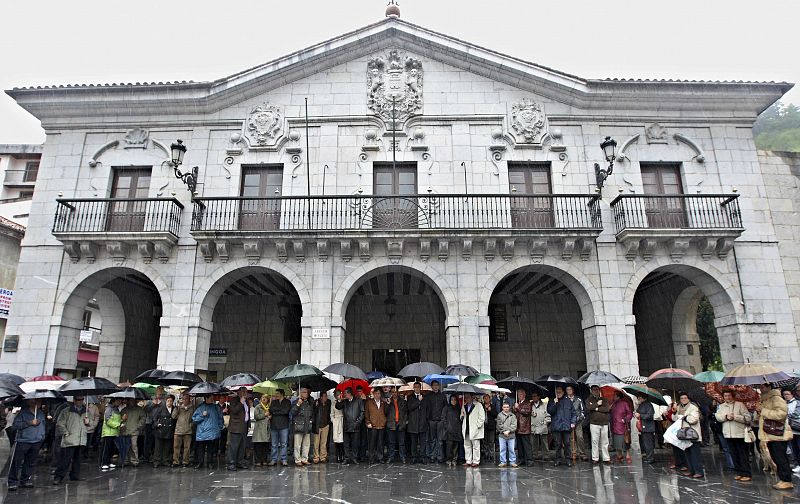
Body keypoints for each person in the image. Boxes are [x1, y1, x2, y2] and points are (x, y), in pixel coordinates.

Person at [758, 383, 794, 490]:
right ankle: (782, 479)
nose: (760, 388)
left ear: (769, 387)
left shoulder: (776, 398)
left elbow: (781, 414)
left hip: (778, 434)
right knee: (775, 457)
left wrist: (763, 411)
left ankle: (787, 480)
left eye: (763, 386)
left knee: (780, 457)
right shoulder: (765, 400)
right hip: (769, 434)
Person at [8, 399, 45, 491]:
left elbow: (43, 425)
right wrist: (30, 423)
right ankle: (12, 482)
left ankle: (25, 480)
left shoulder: (41, 413)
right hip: (23, 441)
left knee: (30, 462)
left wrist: (42, 436)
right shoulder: (23, 413)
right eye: (37, 401)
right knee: (17, 462)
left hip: (36, 441)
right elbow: (15, 426)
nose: (39, 403)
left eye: (40, 402)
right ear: (31, 402)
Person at [715, 390, 752, 482]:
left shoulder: (740, 405)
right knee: (734, 454)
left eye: (729, 395)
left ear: (732, 396)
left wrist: (735, 417)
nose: (727, 397)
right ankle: (739, 472)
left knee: (742, 454)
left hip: (740, 433)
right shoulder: (721, 406)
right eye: (725, 396)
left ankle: (746, 473)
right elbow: (718, 417)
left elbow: (747, 418)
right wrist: (726, 417)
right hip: (728, 434)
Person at [53, 396, 89, 485]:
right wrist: (65, 433)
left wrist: (88, 423)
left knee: (77, 459)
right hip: (70, 439)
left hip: (81, 439)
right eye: (77, 399)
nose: (79, 401)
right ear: (74, 400)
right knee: (65, 459)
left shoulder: (86, 412)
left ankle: (75, 475)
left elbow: (91, 423)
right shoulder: (66, 411)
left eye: (81, 399)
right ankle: (59, 476)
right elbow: (60, 423)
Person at [673, 391, 704, 478]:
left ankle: (698, 471)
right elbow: (674, 419)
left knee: (695, 453)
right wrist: (674, 412)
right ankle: (691, 470)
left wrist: (685, 417)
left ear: (688, 399)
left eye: (685, 398)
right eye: (681, 398)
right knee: (687, 453)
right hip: (683, 434)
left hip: (692, 433)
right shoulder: (679, 408)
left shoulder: (693, 407)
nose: (683, 400)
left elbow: (694, 419)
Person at [548, 386, 577, 467]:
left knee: (567, 443)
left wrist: (573, 422)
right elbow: (550, 411)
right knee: (558, 444)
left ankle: (568, 459)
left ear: (563, 392)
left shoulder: (568, 401)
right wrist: (554, 404)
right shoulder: (552, 401)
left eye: (560, 392)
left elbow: (573, 413)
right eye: (557, 392)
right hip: (556, 426)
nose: (558, 393)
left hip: (566, 426)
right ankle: (557, 459)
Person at [192, 395, 224, 469]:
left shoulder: (216, 407)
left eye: (213, 398)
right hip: (202, 432)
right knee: (201, 449)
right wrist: (202, 415)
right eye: (211, 398)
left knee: (211, 448)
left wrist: (219, 427)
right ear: (206, 398)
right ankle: (200, 462)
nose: (212, 399)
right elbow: (194, 419)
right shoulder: (200, 408)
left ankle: (210, 462)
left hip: (212, 432)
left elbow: (220, 418)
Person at [336, 388, 364, 465]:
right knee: (346, 444)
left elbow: (362, 412)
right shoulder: (344, 401)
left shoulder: (358, 400)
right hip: (347, 425)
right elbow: (338, 407)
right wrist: (339, 400)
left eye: (345, 393)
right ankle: (346, 458)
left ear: (349, 393)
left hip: (355, 425)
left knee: (355, 444)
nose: (344, 395)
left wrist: (358, 422)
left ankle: (354, 458)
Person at [423, 380, 447, 463]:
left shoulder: (442, 396)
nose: (435, 386)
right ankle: (432, 456)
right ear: (432, 386)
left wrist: (443, 419)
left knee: (440, 440)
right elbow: (425, 408)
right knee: (432, 439)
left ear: (439, 386)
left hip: (440, 421)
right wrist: (427, 419)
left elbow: (445, 408)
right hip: (431, 421)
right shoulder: (428, 396)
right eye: (434, 385)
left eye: (437, 385)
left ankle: (440, 456)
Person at [586, 385, 611, 463]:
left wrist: (596, 408)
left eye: (597, 389)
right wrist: (597, 404)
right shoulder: (589, 399)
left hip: (604, 423)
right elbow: (588, 408)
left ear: (599, 390)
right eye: (594, 390)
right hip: (594, 423)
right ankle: (595, 458)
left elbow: (607, 409)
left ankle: (606, 458)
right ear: (591, 391)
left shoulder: (604, 399)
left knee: (605, 441)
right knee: (594, 441)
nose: (596, 391)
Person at [267, 388, 291, 466]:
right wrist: (279, 411)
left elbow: (286, 411)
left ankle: (284, 459)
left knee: (284, 444)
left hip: (284, 425)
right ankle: (273, 459)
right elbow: (271, 410)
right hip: (274, 425)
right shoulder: (273, 402)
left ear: (282, 394)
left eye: (277, 393)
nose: (275, 395)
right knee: (274, 444)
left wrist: (275, 412)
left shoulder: (287, 402)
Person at [461, 392, 486, 467]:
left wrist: (477, 426)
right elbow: (462, 417)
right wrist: (461, 415)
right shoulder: (464, 406)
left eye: (468, 397)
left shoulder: (478, 405)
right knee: (467, 445)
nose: (466, 399)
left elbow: (482, 417)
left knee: (476, 446)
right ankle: (468, 460)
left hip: (475, 429)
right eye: (465, 397)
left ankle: (476, 461)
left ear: (472, 397)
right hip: (466, 428)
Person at [365, 387, 388, 464]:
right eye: (376, 393)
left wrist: (387, 404)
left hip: (381, 425)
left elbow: (386, 412)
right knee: (372, 443)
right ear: (373, 394)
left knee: (380, 443)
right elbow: (366, 414)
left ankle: (380, 458)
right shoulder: (369, 402)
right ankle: (371, 458)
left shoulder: (383, 402)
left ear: (380, 394)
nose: (377, 395)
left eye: (379, 393)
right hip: (372, 425)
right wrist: (368, 422)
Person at [226, 388, 248, 471]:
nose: (245, 393)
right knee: (234, 446)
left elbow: (246, 413)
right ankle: (231, 463)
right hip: (236, 426)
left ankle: (240, 462)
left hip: (244, 426)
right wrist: (241, 403)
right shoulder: (234, 400)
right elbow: (234, 411)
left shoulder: (246, 401)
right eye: (244, 391)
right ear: (239, 392)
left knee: (242, 446)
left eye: (246, 391)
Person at [291, 387, 314, 466]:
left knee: (306, 444)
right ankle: (297, 459)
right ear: (300, 393)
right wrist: (298, 404)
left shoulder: (309, 402)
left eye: (307, 392)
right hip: (299, 425)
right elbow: (292, 413)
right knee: (297, 444)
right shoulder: (295, 402)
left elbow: (312, 413)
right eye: (304, 392)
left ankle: (304, 459)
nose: (306, 394)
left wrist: (311, 421)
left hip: (307, 425)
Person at [406, 382, 428, 464]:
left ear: (420, 388)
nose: (417, 388)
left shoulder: (425, 397)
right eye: (415, 387)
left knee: (423, 442)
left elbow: (427, 409)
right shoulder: (409, 397)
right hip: (413, 423)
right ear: (413, 388)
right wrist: (418, 401)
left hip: (422, 423)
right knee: (413, 442)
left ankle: (422, 457)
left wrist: (426, 418)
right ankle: (414, 457)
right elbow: (410, 407)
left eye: (418, 387)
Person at [151, 394, 175, 468]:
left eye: (171, 401)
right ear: (166, 401)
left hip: (169, 430)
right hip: (160, 430)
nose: (169, 402)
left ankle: (165, 460)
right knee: (158, 447)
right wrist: (157, 424)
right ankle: (156, 461)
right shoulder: (160, 408)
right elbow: (154, 418)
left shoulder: (174, 409)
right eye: (168, 401)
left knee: (167, 447)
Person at [171, 393, 194, 468]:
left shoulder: (192, 407)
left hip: (188, 430)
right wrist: (177, 408)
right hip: (178, 429)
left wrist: (191, 425)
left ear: (189, 399)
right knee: (176, 446)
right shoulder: (178, 407)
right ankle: (176, 461)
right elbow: (173, 416)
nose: (184, 400)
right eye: (183, 399)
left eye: (185, 399)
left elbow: (194, 418)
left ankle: (185, 461)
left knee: (187, 447)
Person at [100, 398, 123, 471]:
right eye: (118, 400)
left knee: (111, 449)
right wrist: (118, 425)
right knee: (106, 448)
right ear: (114, 401)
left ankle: (109, 462)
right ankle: (103, 463)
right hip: (108, 433)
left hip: (114, 432)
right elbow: (108, 421)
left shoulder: (116, 409)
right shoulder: (109, 409)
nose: (120, 402)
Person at [565, 385, 587, 462]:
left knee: (580, 437)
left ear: (573, 390)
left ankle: (582, 453)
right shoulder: (565, 399)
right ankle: (574, 452)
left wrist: (579, 418)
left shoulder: (578, 399)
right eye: (567, 389)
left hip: (578, 421)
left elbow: (583, 410)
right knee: (571, 438)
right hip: (569, 422)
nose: (569, 391)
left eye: (570, 389)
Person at [609, 392, 632, 464]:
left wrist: (625, 419)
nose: (613, 397)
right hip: (614, 425)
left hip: (622, 426)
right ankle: (619, 455)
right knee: (616, 442)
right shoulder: (613, 404)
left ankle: (628, 455)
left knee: (625, 441)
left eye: (615, 396)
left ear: (618, 397)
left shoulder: (624, 403)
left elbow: (629, 413)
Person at [386, 387, 407, 463]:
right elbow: (385, 412)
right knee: (391, 442)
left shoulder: (403, 401)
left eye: (395, 392)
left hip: (400, 424)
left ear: (398, 392)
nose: (394, 393)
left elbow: (405, 413)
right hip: (391, 424)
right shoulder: (388, 401)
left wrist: (404, 423)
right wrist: (388, 404)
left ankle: (402, 457)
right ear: (391, 393)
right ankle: (390, 457)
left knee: (402, 443)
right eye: (393, 392)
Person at [123, 398, 146, 467]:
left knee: (134, 446)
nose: (131, 401)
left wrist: (139, 425)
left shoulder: (139, 409)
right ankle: (125, 460)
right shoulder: (124, 409)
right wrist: (122, 418)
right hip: (125, 430)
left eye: (133, 400)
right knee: (126, 446)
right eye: (130, 400)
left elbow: (143, 418)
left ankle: (134, 461)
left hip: (134, 430)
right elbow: (120, 419)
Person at [513, 389, 533, 466]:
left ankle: (530, 460)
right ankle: (522, 459)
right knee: (519, 446)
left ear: (524, 395)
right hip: (517, 427)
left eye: (521, 394)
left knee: (527, 445)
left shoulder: (528, 403)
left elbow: (527, 412)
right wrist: (514, 409)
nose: (519, 395)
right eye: (518, 394)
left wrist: (518, 407)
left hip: (525, 428)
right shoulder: (517, 403)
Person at [635, 393, 656, 463]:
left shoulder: (649, 405)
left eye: (640, 398)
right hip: (643, 427)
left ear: (644, 398)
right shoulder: (641, 405)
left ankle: (650, 458)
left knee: (648, 444)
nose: (639, 399)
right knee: (645, 443)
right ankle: (648, 456)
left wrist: (640, 415)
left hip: (648, 427)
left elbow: (650, 415)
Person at [530, 391, 550, 462]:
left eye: (535, 396)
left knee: (544, 442)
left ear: (538, 397)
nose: (534, 398)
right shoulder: (530, 405)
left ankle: (546, 455)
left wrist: (545, 422)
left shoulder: (544, 405)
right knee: (534, 442)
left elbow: (548, 415)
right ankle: (534, 455)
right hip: (533, 426)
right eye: (533, 396)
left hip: (542, 425)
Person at [496, 401, 518, 468]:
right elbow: (499, 425)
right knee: (502, 449)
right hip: (502, 435)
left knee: (511, 449)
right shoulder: (499, 415)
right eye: (504, 407)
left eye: (507, 407)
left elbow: (514, 425)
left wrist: (509, 431)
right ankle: (503, 462)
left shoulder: (513, 416)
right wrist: (504, 431)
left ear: (509, 408)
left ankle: (512, 462)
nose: (506, 408)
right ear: (502, 408)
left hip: (511, 435)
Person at [442, 395, 462, 467]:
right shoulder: (446, 408)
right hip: (449, 430)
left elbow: (460, 418)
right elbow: (443, 418)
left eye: (455, 400)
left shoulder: (458, 408)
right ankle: (448, 459)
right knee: (449, 446)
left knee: (456, 446)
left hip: (457, 430)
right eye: (452, 400)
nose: (453, 401)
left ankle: (454, 459)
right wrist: (447, 427)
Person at [312, 391, 331, 463]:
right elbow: (313, 413)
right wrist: (316, 406)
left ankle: (323, 457)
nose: (326, 397)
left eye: (326, 396)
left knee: (324, 442)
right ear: (321, 397)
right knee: (316, 442)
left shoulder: (328, 402)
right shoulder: (316, 403)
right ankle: (316, 457)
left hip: (325, 424)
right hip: (317, 425)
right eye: (324, 396)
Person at [784, 387, 800, 470]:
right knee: (793, 448)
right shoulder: (784, 404)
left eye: (787, 394)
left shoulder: (797, 403)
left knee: (798, 446)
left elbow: (796, 414)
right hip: (790, 429)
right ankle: (797, 464)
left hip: (797, 428)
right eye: (784, 394)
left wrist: (787, 415)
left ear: (792, 394)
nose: (786, 396)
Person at [253, 393, 271, 467]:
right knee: (258, 445)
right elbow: (256, 416)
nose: (264, 399)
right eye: (263, 397)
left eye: (265, 398)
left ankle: (264, 460)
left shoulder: (269, 407)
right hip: (259, 429)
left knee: (265, 445)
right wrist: (265, 415)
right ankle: (258, 460)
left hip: (267, 428)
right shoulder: (258, 407)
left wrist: (270, 417)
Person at [482, 393, 497, 463]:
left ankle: (491, 454)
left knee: (491, 441)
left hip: (491, 426)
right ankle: (486, 454)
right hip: (483, 426)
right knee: (485, 441)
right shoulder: (481, 406)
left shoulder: (492, 406)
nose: (486, 399)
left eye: (487, 398)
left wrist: (490, 410)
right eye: (485, 398)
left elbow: (495, 414)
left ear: (489, 399)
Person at [331, 390, 345, 463]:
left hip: (342, 421)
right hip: (336, 422)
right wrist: (333, 421)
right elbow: (332, 414)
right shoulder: (333, 403)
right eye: (336, 395)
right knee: (336, 440)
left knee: (342, 440)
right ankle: (338, 456)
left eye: (339, 395)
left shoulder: (344, 401)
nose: (338, 396)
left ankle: (343, 455)